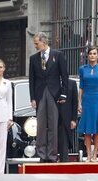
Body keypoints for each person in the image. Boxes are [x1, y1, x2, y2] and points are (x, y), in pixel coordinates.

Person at [29, 32, 68, 163]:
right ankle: (41, 154)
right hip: (40, 94)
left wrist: (64, 93)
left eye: (36, 43)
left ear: (44, 42)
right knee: (40, 126)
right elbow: (32, 79)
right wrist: (32, 98)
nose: (35, 46)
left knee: (53, 125)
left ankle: (52, 154)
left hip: (54, 93)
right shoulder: (33, 58)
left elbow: (64, 76)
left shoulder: (58, 55)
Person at [77, 46, 98, 162]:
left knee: (97, 128)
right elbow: (81, 87)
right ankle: (88, 154)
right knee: (88, 128)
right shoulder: (82, 69)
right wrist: (79, 103)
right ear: (87, 56)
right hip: (86, 100)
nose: (92, 55)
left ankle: (95, 154)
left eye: (95, 53)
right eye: (90, 53)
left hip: (97, 99)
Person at [58, 79, 78, 162]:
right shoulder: (51, 81)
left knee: (64, 143)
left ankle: (64, 162)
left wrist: (73, 119)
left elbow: (75, 102)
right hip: (53, 116)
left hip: (66, 119)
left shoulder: (72, 83)